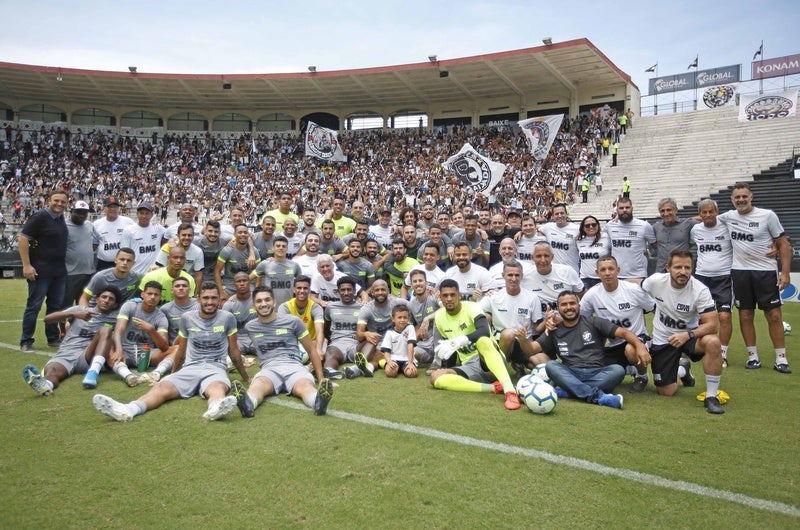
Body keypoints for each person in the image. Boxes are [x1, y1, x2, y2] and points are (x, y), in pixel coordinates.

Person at [92, 282, 251, 422]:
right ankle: (128, 409)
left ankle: (215, 408)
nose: (210, 302)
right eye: (206, 298)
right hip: (190, 368)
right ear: (198, 299)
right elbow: (181, 351)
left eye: (214, 298)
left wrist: (246, 377)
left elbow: (233, 350)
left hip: (215, 368)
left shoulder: (228, 318)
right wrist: (172, 374)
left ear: (218, 299)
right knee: (161, 388)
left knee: (217, 388)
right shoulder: (187, 318)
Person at [526, 291, 650, 409]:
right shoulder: (554, 329)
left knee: (617, 370)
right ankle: (598, 397)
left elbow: (624, 332)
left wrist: (640, 346)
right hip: (570, 371)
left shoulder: (594, 322)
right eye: (564, 304)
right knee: (551, 366)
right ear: (558, 308)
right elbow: (532, 349)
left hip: (597, 372)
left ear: (579, 306)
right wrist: (522, 338)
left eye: (572, 303)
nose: (569, 307)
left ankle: (569, 390)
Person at [717, 182, 792, 373]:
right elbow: (704, 216)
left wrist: (785, 272)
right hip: (740, 272)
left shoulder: (767, 215)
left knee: (774, 315)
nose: (741, 200)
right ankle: (753, 357)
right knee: (745, 314)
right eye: (737, 197)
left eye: (744, 196)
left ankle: (781, 359)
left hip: (765, 272)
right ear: (732, 200)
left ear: (751, 197)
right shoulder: (728, 217)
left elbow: (783, 244)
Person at [641, 251, 725, 414]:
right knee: (666, 392)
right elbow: (638, 285)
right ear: (668, 268)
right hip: (663, 340)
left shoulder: (700, 290)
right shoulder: (656, 281)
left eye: (687, 267)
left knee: (713, 341)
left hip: (689, 338)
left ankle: (711, 397)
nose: (683, 272)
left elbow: (713, 325)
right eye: (678, 267)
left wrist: (687, 335)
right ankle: (682, 369)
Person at [232, 286, 332, 417]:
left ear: (274, 302)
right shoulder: (250, 327)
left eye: (267, 300)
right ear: (253, 305)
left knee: (305, 386)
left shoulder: (293, 321)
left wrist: (321, 379)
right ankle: (248, 404)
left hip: (294, 367)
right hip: (269, 370)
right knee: (257, 386)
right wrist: (246, 376)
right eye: (259, 301)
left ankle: (318, 402)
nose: (263, 304)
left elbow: (311, 350)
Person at [429, 279, 520, 410]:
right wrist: (447, 368)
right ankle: (494, 388)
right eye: (445, 295)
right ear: (440, 297)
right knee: (436, 378)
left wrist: (459, 341)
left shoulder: (472, 307)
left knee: (483, 341)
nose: (449, 299)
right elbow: (449, 348)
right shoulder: (439, 317)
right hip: (470, 367)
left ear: (459, 295)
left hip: (488, 359)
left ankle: (510, 391)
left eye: (452, 295)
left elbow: (483, 331)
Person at [22, 286, 122, 396]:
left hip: (88, 356)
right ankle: (46, 386)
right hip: (66, 354)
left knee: (105, 330)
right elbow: (48, 319)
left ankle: (93, 372)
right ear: (97, 299)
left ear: (115, 305)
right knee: (52, 372)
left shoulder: (115, 318)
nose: (106, 300)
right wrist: (73, 314)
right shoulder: (80, 310)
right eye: (104, 297)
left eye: (111, 299)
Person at [580, 256, 655, 392]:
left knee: (630, 350)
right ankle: (630, 368)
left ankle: (642, 376)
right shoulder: (592, 294)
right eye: (603, 270)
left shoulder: (633, 290)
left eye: (611, 269)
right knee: (597, 369)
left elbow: (655, 309)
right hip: (614, 344)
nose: (607, 273)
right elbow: (579, 317)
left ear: (618, 271)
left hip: (637, 340)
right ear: (597, 273)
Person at [19, 188, 69, 351]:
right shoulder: (40, 216)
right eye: (56, 200)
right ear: (49, 200)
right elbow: (23, 239)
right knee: (34, 306)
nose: (59, 204)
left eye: (63, 201)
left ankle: (53, 338)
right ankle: (26, 341)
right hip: (40, 271)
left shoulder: (60, 218)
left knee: (55, 307)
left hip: (59, 272)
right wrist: (27, 265)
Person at [101, 280, 171, 387]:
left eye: (156, 295)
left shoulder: (161, 317)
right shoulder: (130, 306)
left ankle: (156, 373)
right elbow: (119, 329)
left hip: (147, 354)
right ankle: (128, 376)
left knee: (177, 349)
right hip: (125, 351)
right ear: (142, 294)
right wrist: (119, 349)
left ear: (160, 297)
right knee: (108, 343)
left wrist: (151, 330)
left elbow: (164, 346)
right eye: (149, 294)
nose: (152, 297)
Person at [480, 260, 544, 376]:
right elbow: (474, 311)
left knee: (541, 366)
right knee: (507, 333)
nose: (514, 279)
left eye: (517, 275)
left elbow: (538, 328)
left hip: (523, 343)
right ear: (503, 276)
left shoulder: (532, 298)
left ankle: (518, 362)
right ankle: (500, 370)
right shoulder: (494, 296)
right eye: (510, 275)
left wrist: (547, 321)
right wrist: (475, 298)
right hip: (502, 341)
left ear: (522, 276)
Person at [690, 199, 734, 367]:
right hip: (701, 277)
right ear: (700, 215)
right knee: (700, 318)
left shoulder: (727, 226)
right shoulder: (695, 230)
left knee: (724, 316)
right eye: (704, 212)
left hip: (724, 277)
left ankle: (722, 353)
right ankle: (700, 348)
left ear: (717, 212)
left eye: (711, 211)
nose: (708, 215)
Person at [604, 197, 655, 280]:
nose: (624, 210)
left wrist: (648, 252)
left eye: (627, 207)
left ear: (632, 208)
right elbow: (596, 235)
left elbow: (655, 245)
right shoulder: (610, 225)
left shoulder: (644, 225)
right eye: (621, 208)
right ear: (617, 210)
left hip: (638, 275)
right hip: (616, 274)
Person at [322, 276, 364, 378]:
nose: (346, 293)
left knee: (370, 343)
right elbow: (326, 326)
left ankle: (356, 368)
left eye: (349, 290)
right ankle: (330, 371)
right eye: (343, 290)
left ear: (354, 291)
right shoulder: (330, 307)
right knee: (330, 353)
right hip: (337, 344)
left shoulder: (363, 308)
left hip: (356, 345)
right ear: (338, 291)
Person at [527, 242, 584, 312]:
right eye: (538, 256)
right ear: (532, 257)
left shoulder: (567, 271)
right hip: (539, 321)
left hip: (565, 320)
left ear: (552, 257)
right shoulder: (525, 276)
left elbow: (583, 294)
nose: (543, 260)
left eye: (546, 256)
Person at [278, 275, 325, 359]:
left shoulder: (315, 307)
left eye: (305, 288)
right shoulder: (285, 307)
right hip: (293, 342)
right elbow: (282, 331)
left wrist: (318, 349)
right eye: (299, 288)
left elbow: (319, 330)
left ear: (309, 290)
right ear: (294, 289)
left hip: (311, 342)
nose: (302, 291)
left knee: (324, 341)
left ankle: (312, 363)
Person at [63, 200, 97, 307]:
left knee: (84, 304)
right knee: (66, 304)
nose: (81, 215)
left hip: (88, 272)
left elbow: (95, 243)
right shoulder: (64, 226)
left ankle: (79, 324)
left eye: (84, 213)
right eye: (78, 212)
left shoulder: (89, 225)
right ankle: (63, 324)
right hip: (70, 273)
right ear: (71, 211)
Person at [250, 235, 301, 306]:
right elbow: (248, 279)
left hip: (288, 307)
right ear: (273, 248)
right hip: (269, 308)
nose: (281, 248)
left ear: (287, 248)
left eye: (283, 246)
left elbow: (302, 285)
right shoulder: (265, 264)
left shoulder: (295, 265)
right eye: (278, 246)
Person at [215, 223, 260, 304]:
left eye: (245, 232)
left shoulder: (254, 251)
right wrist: (221, 292)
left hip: (249, 285)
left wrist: (257, 290)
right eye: (240, 232)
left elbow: (259, 272)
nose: (243, 234)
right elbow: (217, 271)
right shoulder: (227, 250)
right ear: (235, 234)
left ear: (248, 234)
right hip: (229, 285)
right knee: (223, 305)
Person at [652, 198, 699, 273]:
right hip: (661, 269)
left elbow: (706, 218)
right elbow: (653, 243)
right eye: (662, 211)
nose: (666, 213)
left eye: (669, 210)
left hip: (680, 270)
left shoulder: (687, 224)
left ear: (676, 210)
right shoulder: (656, 227)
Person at [120, 201, 166, 277]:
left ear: (151, 215)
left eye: (147, 213)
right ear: (137, 214)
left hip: (153, 273)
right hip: (135, 273)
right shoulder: (128, 230)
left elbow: (171, 234)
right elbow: (124, 253)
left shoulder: (158, 228)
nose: (144, 216)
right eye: (141, 213)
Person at [406, 269, 439, 367]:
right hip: (424, 345)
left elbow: (445, 310)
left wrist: (427, 318)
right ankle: (425, 361)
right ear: (411, 285)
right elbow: (412, 326)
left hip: (440, 342)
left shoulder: (434, 296)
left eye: (420, 280)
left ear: (426, 282)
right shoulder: (411, 304)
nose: (418, 284)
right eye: (414, 281)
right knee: (410, 354)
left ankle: (437, 363)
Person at [156, 223, 204, 287]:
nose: (186, 238)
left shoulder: (198, 251)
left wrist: (196, 295)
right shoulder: (167, 248)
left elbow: (199, 276)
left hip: (186, 285)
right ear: (178, 236)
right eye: (184, 235)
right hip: (166, 283)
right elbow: (159, 270)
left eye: (189, 235)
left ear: (193, 236)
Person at [537, 203, 580, 275]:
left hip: (572, 271)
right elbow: (536, 229)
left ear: (566, 214)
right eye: (557, 214)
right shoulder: (548, 227)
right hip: (554, 272)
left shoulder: (577, 229)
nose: (559, 216)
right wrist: (520, 232)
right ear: (553, 216)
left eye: (562, 213)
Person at [93, 197, 134, 271]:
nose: (112, 209)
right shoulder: (96, 224)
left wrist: (153, 224)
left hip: (123, 263)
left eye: (115, 207)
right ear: (104, 208)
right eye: (109, 207)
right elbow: (94, 244)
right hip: (103, 263)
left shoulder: (128, 222)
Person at [379, 304, 418, 378]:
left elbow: (410, 346)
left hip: (407, 359)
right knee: (390, 373)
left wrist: (410, 363)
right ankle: (387, 364)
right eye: (399, 317)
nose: (402, 320)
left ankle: (405, 368)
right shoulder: (389, 333)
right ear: (393, 319)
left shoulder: (410, 328)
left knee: (411, 374)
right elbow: (386, 351)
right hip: (394, 359)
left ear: (408, 318)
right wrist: (389, 362)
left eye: (405, 317)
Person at [575, 216, 611, 290]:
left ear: (598, 225)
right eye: (587, 225)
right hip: (585, 278)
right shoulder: (579, 240)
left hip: (602, 278)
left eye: (593, 224)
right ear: (583, 227)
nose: (591, 227)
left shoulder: (606, 237)